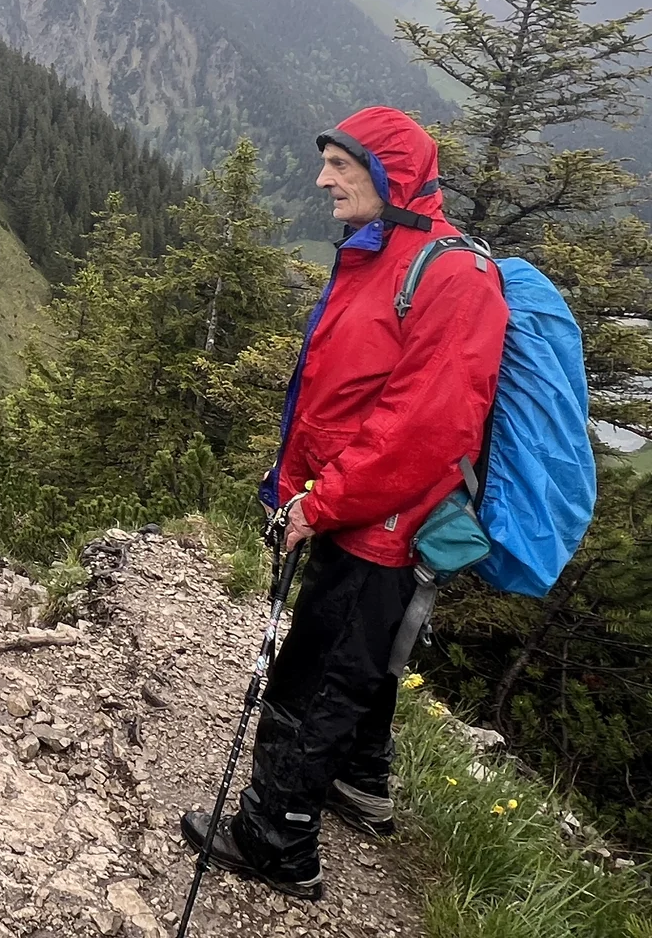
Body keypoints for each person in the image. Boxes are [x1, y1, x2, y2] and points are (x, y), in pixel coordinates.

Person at [180, 106, 509, 898]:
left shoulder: (451, 277)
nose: (324, 178)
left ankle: (276, 838)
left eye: (341, 164)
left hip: (385, 524)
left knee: (316, 671)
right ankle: (361, 781)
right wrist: (294, 486)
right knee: (357, 657)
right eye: (326, 161)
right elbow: (339, 391)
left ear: (389, 174)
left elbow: (419, 430)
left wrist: (322, 504)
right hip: (355, 505)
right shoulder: (380, 256)